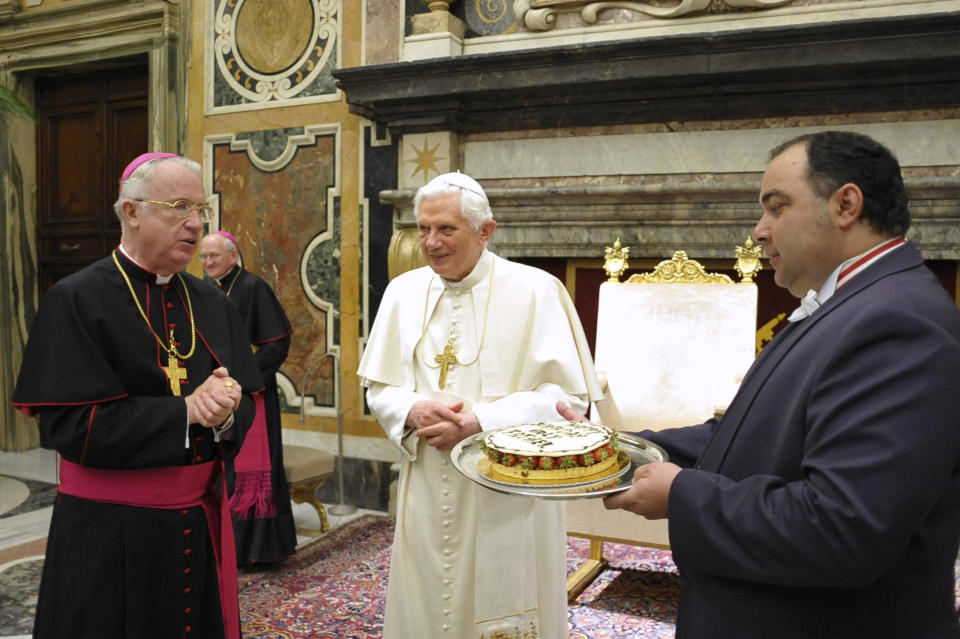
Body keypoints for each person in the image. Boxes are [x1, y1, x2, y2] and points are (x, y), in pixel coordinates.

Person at [559, 130, 960, 638]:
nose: (759, 231)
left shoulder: (899, 323)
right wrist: (618, 448)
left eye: (776, 207)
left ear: (846, 204)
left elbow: (840, 530)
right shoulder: (849, 304)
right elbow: (746, 433)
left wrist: (682, 495)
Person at [12, 153, 264, 639]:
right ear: (131, 212)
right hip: (108, 532)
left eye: (201, 210)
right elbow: (66, 427)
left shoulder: (213, 303)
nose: (195, 224)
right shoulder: (76, 299)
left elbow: (247, 400)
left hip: (197, 520)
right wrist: (184, 412)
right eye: (177, 207)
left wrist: (227, 413)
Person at [357, 171, 602, 638]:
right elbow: (379, 388)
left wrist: (481, 421)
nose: (430, 242)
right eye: (423, 228)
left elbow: (568, 400)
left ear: (485, 231)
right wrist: (410, 410)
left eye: (446, 229)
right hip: (430, 478)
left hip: (510, 481)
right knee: (428, 598)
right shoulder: (402, 292)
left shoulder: (537, 290)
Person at [199, 230, 297, 565]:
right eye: (204, 256)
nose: (208, 262)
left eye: (214, 256)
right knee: (223, 471)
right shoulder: (204, 290)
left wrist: (243, 378)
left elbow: (278, 342)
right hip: (214, 396)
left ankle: (259, 552)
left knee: (253, 474)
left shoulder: (253, 287)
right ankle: (226, 546)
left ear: (233, 256)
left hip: (251, 394)